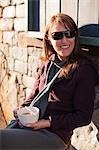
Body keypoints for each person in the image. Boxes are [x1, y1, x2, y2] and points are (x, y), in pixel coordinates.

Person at [0, 13, 98, 150]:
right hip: (31, 126)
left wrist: (47, 123)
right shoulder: (47, 64)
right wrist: (21, 110)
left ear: (75, 36)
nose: (65, 40)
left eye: (69, 34)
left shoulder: (83, 69)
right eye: (57, 36)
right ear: (48, 39)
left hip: (54, 135)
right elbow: (33, 97)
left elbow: (83, 116)